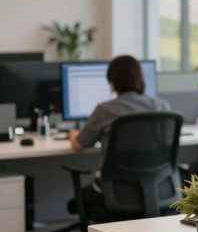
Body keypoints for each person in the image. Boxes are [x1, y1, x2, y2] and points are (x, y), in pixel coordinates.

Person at [68, 55, 171, 212]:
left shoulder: (105, 110)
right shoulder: (162, 106)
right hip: (157, 189)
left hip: (115, 192)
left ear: (112, 82)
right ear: (140, 79)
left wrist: (73, 134)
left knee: (74, 202)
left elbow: (78, 146)